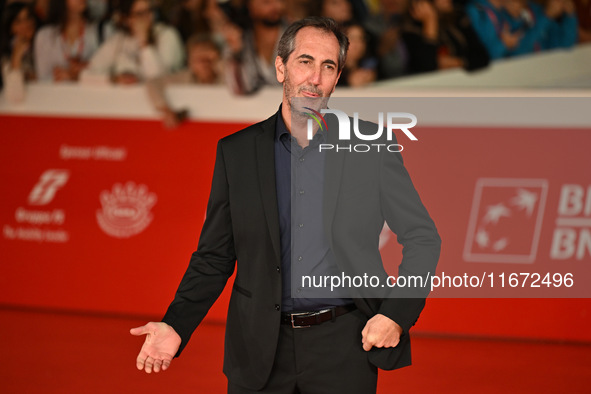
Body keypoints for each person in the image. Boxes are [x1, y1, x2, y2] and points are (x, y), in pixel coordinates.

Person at [131, 16, 441, 394]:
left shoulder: (372, 147)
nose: (315, 77)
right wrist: (176, 323)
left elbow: (423, 237)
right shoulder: (238, 152)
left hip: (344, 347)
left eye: (328, 66)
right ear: (281, 67)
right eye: (305, 61)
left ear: (338, 76)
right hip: (259, 349)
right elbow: (214, 255)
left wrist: (395, 314)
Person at [82, 0, 183, 84]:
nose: (147, 17)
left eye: (149, 11)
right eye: (140, 14)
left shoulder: (167, 35)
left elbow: (159, 79)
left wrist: (144, 43)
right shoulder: (119, 39)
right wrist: (115, 79)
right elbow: (88, 74)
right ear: (127, 19)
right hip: (122, 102)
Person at [146, 33, 225, 128]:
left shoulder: (226, 75)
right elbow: (153, 83)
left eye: (208, 58)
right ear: (190, 60)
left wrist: (218, 62)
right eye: (198, 58)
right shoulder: (184, 77)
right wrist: (166, 110)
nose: (204, 63)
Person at [33, 0, 100, 81]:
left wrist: (77, 76)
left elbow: (107, 74)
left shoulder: (99, 31)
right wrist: (61, 76)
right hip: (56, 92)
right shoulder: (45, 36)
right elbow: (42, 78)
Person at [1, 1, 37, 103]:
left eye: (28, 18)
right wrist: (16, 57)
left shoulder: (44, 42)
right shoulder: (6, 56)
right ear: (10, 28)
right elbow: (15, 97)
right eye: (18, 21)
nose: (26, 24)